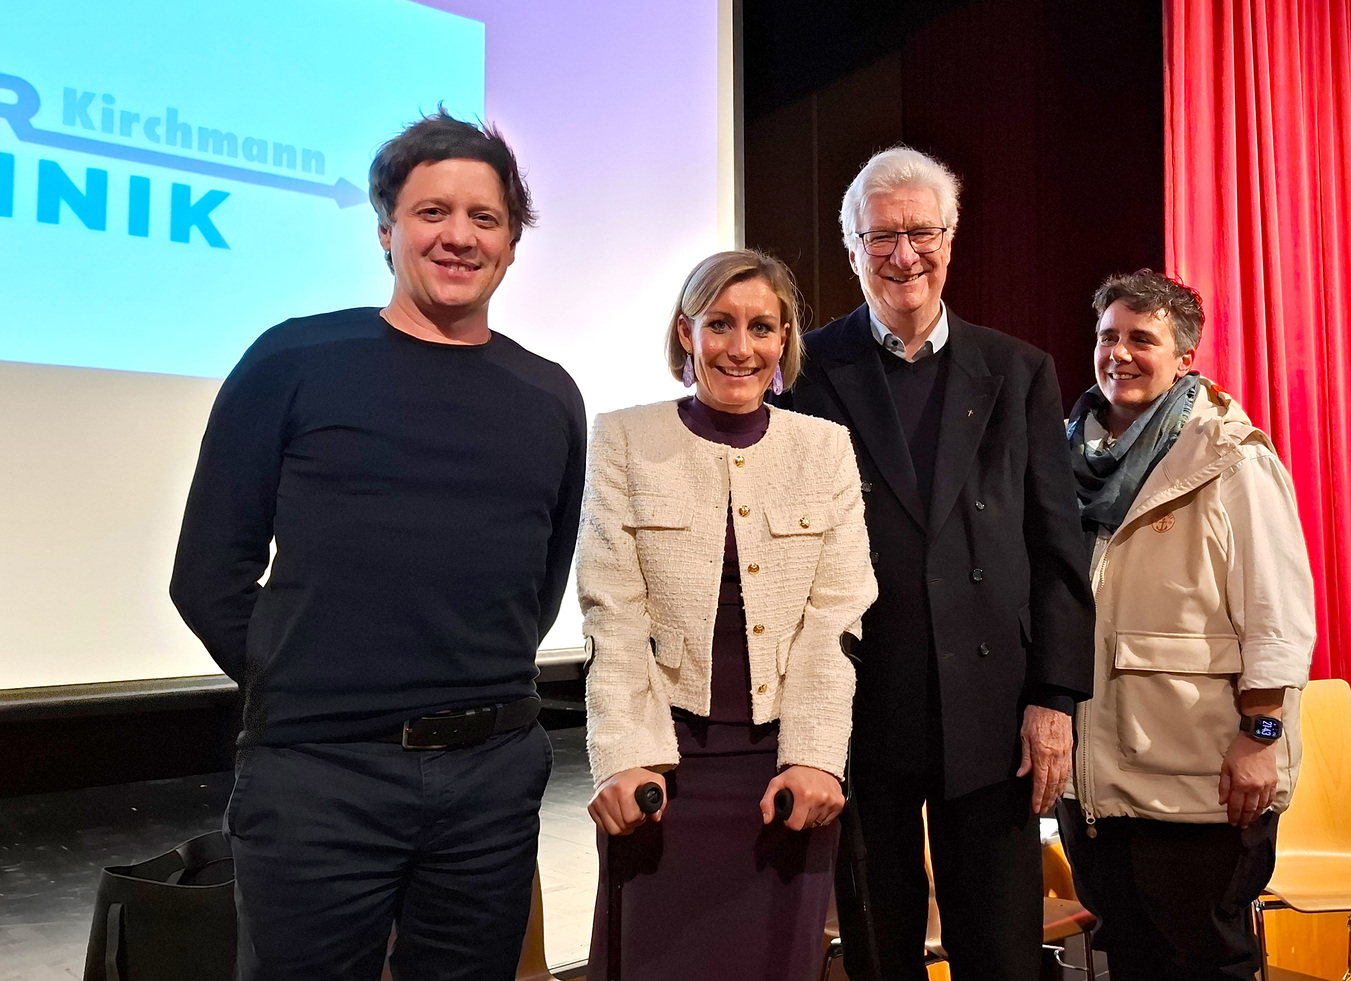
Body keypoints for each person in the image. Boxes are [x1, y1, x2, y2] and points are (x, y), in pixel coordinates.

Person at [169, 109, 586, 980]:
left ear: (511, 244)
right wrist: (304, 684)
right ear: (386, 229)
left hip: (491, 781)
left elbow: (537, 588)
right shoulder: (294, 360)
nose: (459, 236)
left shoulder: (549, 395)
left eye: (485, 217)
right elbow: (208, 573)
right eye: (433, 211)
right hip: (319, 778)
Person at [774, 146, 1094, 980]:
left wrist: (1054, 698)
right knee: (879, 954)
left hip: (993, 712)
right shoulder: (806, 371)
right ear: (852, 247)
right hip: (860, 706)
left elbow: (1057, 548)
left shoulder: (1018, 370)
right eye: (882, 236)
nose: (904, 255)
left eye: (922, 233)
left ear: (951, 239)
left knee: (1002, 952)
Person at [578, 249, 878, 981]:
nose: (740, 347)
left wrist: (815, 757)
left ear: (784, 340)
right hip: (661, 768)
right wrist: (623, 756)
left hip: (783, 771)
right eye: (719, 324)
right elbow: (612, 613)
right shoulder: (624, 438)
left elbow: (834, 619)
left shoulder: (825, 448)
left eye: (761, 327)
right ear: (687, 332)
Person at [1057, 270, 1316, 981]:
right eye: (1108, 336)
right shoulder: (1064, 451)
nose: (1119, 353)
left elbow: (1279, 611)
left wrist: (1261, 736)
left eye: (1142, 339)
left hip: (1203, 778)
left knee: (1204, 961)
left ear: (1184, 359)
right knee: (1130, 960)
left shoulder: (1232, 457)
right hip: (1096, 780)